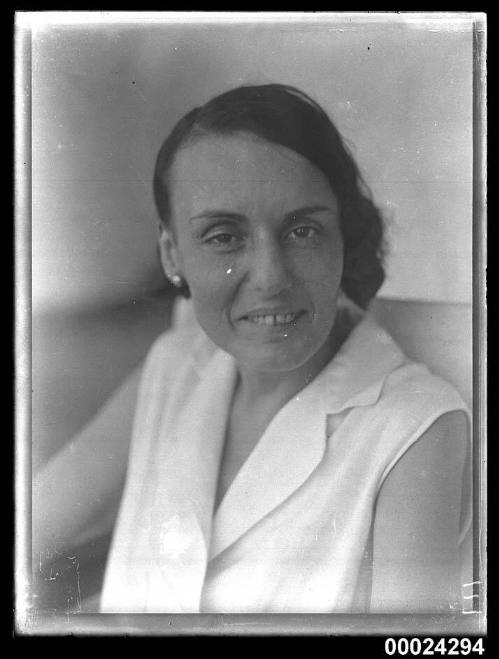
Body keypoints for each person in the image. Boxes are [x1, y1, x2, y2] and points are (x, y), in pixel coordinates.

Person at [33, 84, 471, 614]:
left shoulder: (417, 429)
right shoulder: (177, 363)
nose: (271, 278)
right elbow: (34, 518)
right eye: (223, 236)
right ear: (173, 255)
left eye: (303, 230)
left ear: (345, 239)